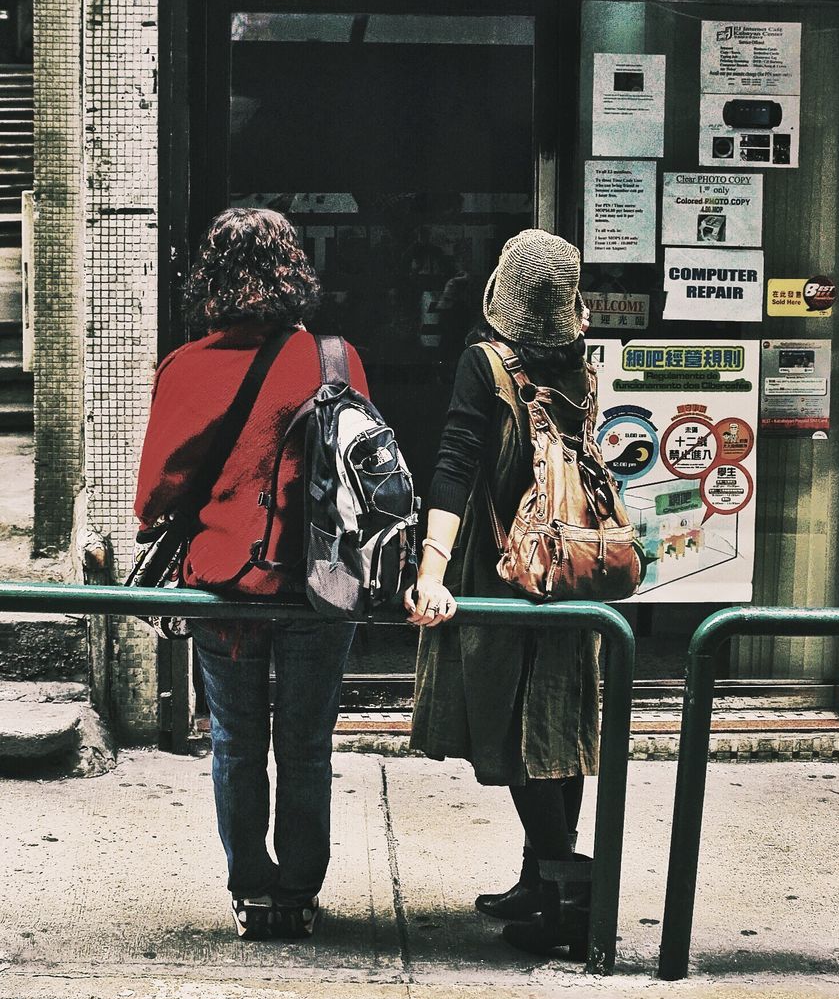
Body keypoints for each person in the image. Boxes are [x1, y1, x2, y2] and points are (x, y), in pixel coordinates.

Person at [134, 207, 369, 942]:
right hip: (319, 584)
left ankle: (253, 892)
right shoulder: (336, 359)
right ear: (293, 271)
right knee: (307, 739)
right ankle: (298, 890)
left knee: (236, 741)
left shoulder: (187, 367)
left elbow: (155, 497)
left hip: (225, 588)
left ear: (211, 279)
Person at [405, 229, 599, 958]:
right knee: (558, 730)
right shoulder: (579, 365)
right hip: (567, 568)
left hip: (503, 570)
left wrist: (431, 569)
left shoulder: (484, 365)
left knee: (513, 730)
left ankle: (568, 893)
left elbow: (454, 465)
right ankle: (537, 879)